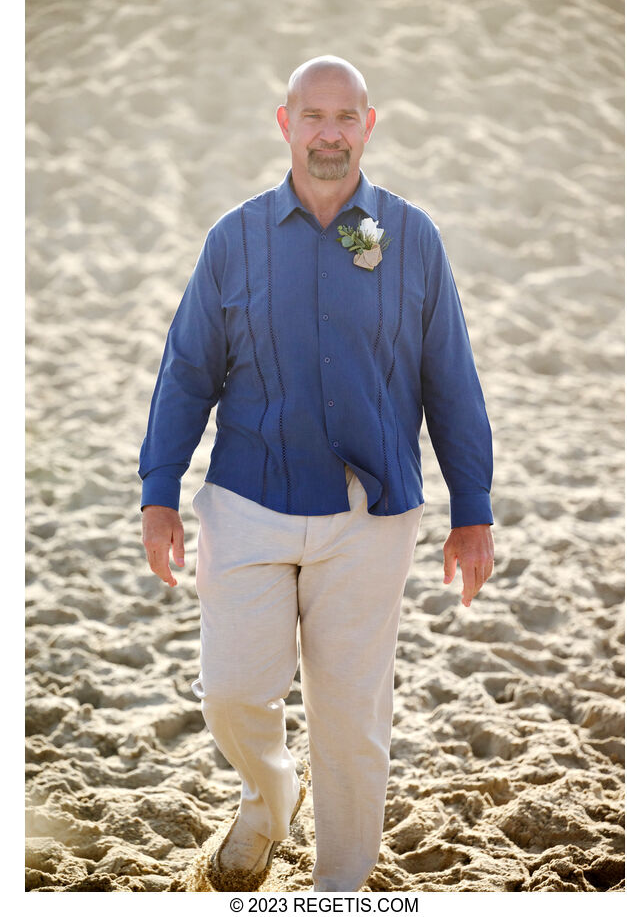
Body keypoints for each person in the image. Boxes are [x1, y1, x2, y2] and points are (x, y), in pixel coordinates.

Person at [139, 55, 494, 893]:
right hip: (247, 500)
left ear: (369, 125)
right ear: (285, 123)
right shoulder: (235, 238)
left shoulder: (412, 238)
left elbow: (451, 377)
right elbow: (188, 370)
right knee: (229, 693)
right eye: (313, 116)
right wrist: (160, 492)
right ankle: (270, 796)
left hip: (369, 518)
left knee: (350, 718)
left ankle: (340, 890)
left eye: (345, 117)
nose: (329, 133)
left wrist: (471, 511)